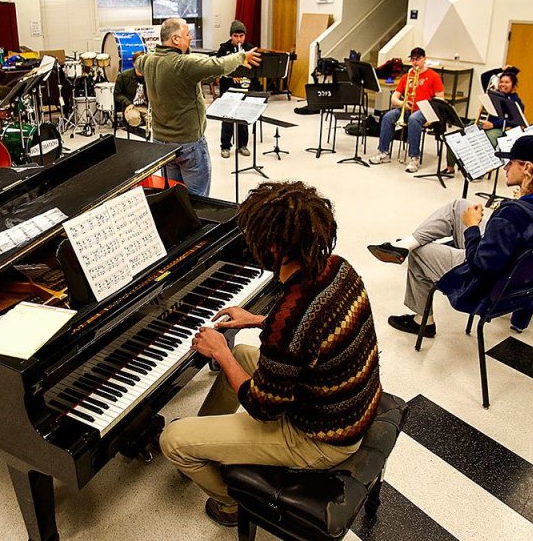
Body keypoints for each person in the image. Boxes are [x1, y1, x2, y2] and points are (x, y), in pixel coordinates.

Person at [160, 181, 382, 527]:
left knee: (172, 440)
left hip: (324, 439)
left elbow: (264, 408)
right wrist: (257, 320)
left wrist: (221, 352)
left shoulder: (290, 319)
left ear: (273, 246)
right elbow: (313, 331)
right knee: (249, 352)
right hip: (350, 405)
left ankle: (231, 504)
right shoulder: (339, 266)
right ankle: (209, 435)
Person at [369, 136, 533, 337]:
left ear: (526, 167)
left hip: (484, 288)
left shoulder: (511, 214)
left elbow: (481, 265)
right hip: (525, 285)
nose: (505, 168)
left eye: (510, 163)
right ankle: (404, 244)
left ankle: (422, 321)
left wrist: (472, 228)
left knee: (421, 252)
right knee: (459, 205)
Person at [134, 17, 260, 196]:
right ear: (175, 39)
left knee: (175, 196)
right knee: (198, 199)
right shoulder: (183, 64)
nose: (190, 39)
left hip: (162, 142)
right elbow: (219, 65)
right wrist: (242, 56)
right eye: (187, 35)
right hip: (188, 142)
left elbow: (137, 64)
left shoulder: (148, 60)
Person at [369, 47, 444, 172]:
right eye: (413, 59)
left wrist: (429, 112)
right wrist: (403, 103)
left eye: (418, 59)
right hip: (408, 108)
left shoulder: (433, 76)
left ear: (424, 59)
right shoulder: (407, 76)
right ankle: (383, 152)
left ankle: (414, 157)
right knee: (387, 117)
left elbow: (440, 99)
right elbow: (394, 98)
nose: (415, 62)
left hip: (425, 110)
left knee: (414, 119)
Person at [215, 20, 256, 158]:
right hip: (228, 88)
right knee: (227, 117)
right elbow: (218, 67)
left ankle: (242, 145)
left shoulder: (250, 49)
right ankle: (225, 146)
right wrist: (231, 76)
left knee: (243, 117)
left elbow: (255, 69)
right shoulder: (223, 49)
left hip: (245, 87)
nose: (239, 39)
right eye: (235, 36)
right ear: (231, 36)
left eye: (241, 36)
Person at [478, 66, 526, 143]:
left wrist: (493, 124)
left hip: (499, 127)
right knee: (467, 131)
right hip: (487, 123)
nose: (503, 84)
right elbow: (484, 76)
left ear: (513, 85)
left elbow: (511, 120)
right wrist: (500, 70)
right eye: (501, 82)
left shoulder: (515, 101)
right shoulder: (494, 94)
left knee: (489, 139)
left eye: (506, 82)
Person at [113, 51, 146, 129]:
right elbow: (117, 94)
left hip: (146, 107)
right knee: (134, 119)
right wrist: (128, 103)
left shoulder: (150, 76)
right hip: (131, 106)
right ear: (134, 64)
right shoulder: (124, 76)